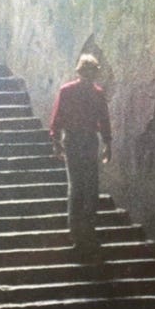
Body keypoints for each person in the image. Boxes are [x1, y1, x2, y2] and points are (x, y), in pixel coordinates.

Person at [49, 54, 112, 264]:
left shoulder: (97, 94)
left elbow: (104, 119)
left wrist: (108, 143)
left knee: (91, 187)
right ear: (80, 72)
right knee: (77, 187)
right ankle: (77, 235)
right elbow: (58, 117)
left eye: (92, 72)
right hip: (74, 140)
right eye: (86, 72)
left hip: (89, 140)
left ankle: (88, 232)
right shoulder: (67, 91)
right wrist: (56, 141)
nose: (88, 76)